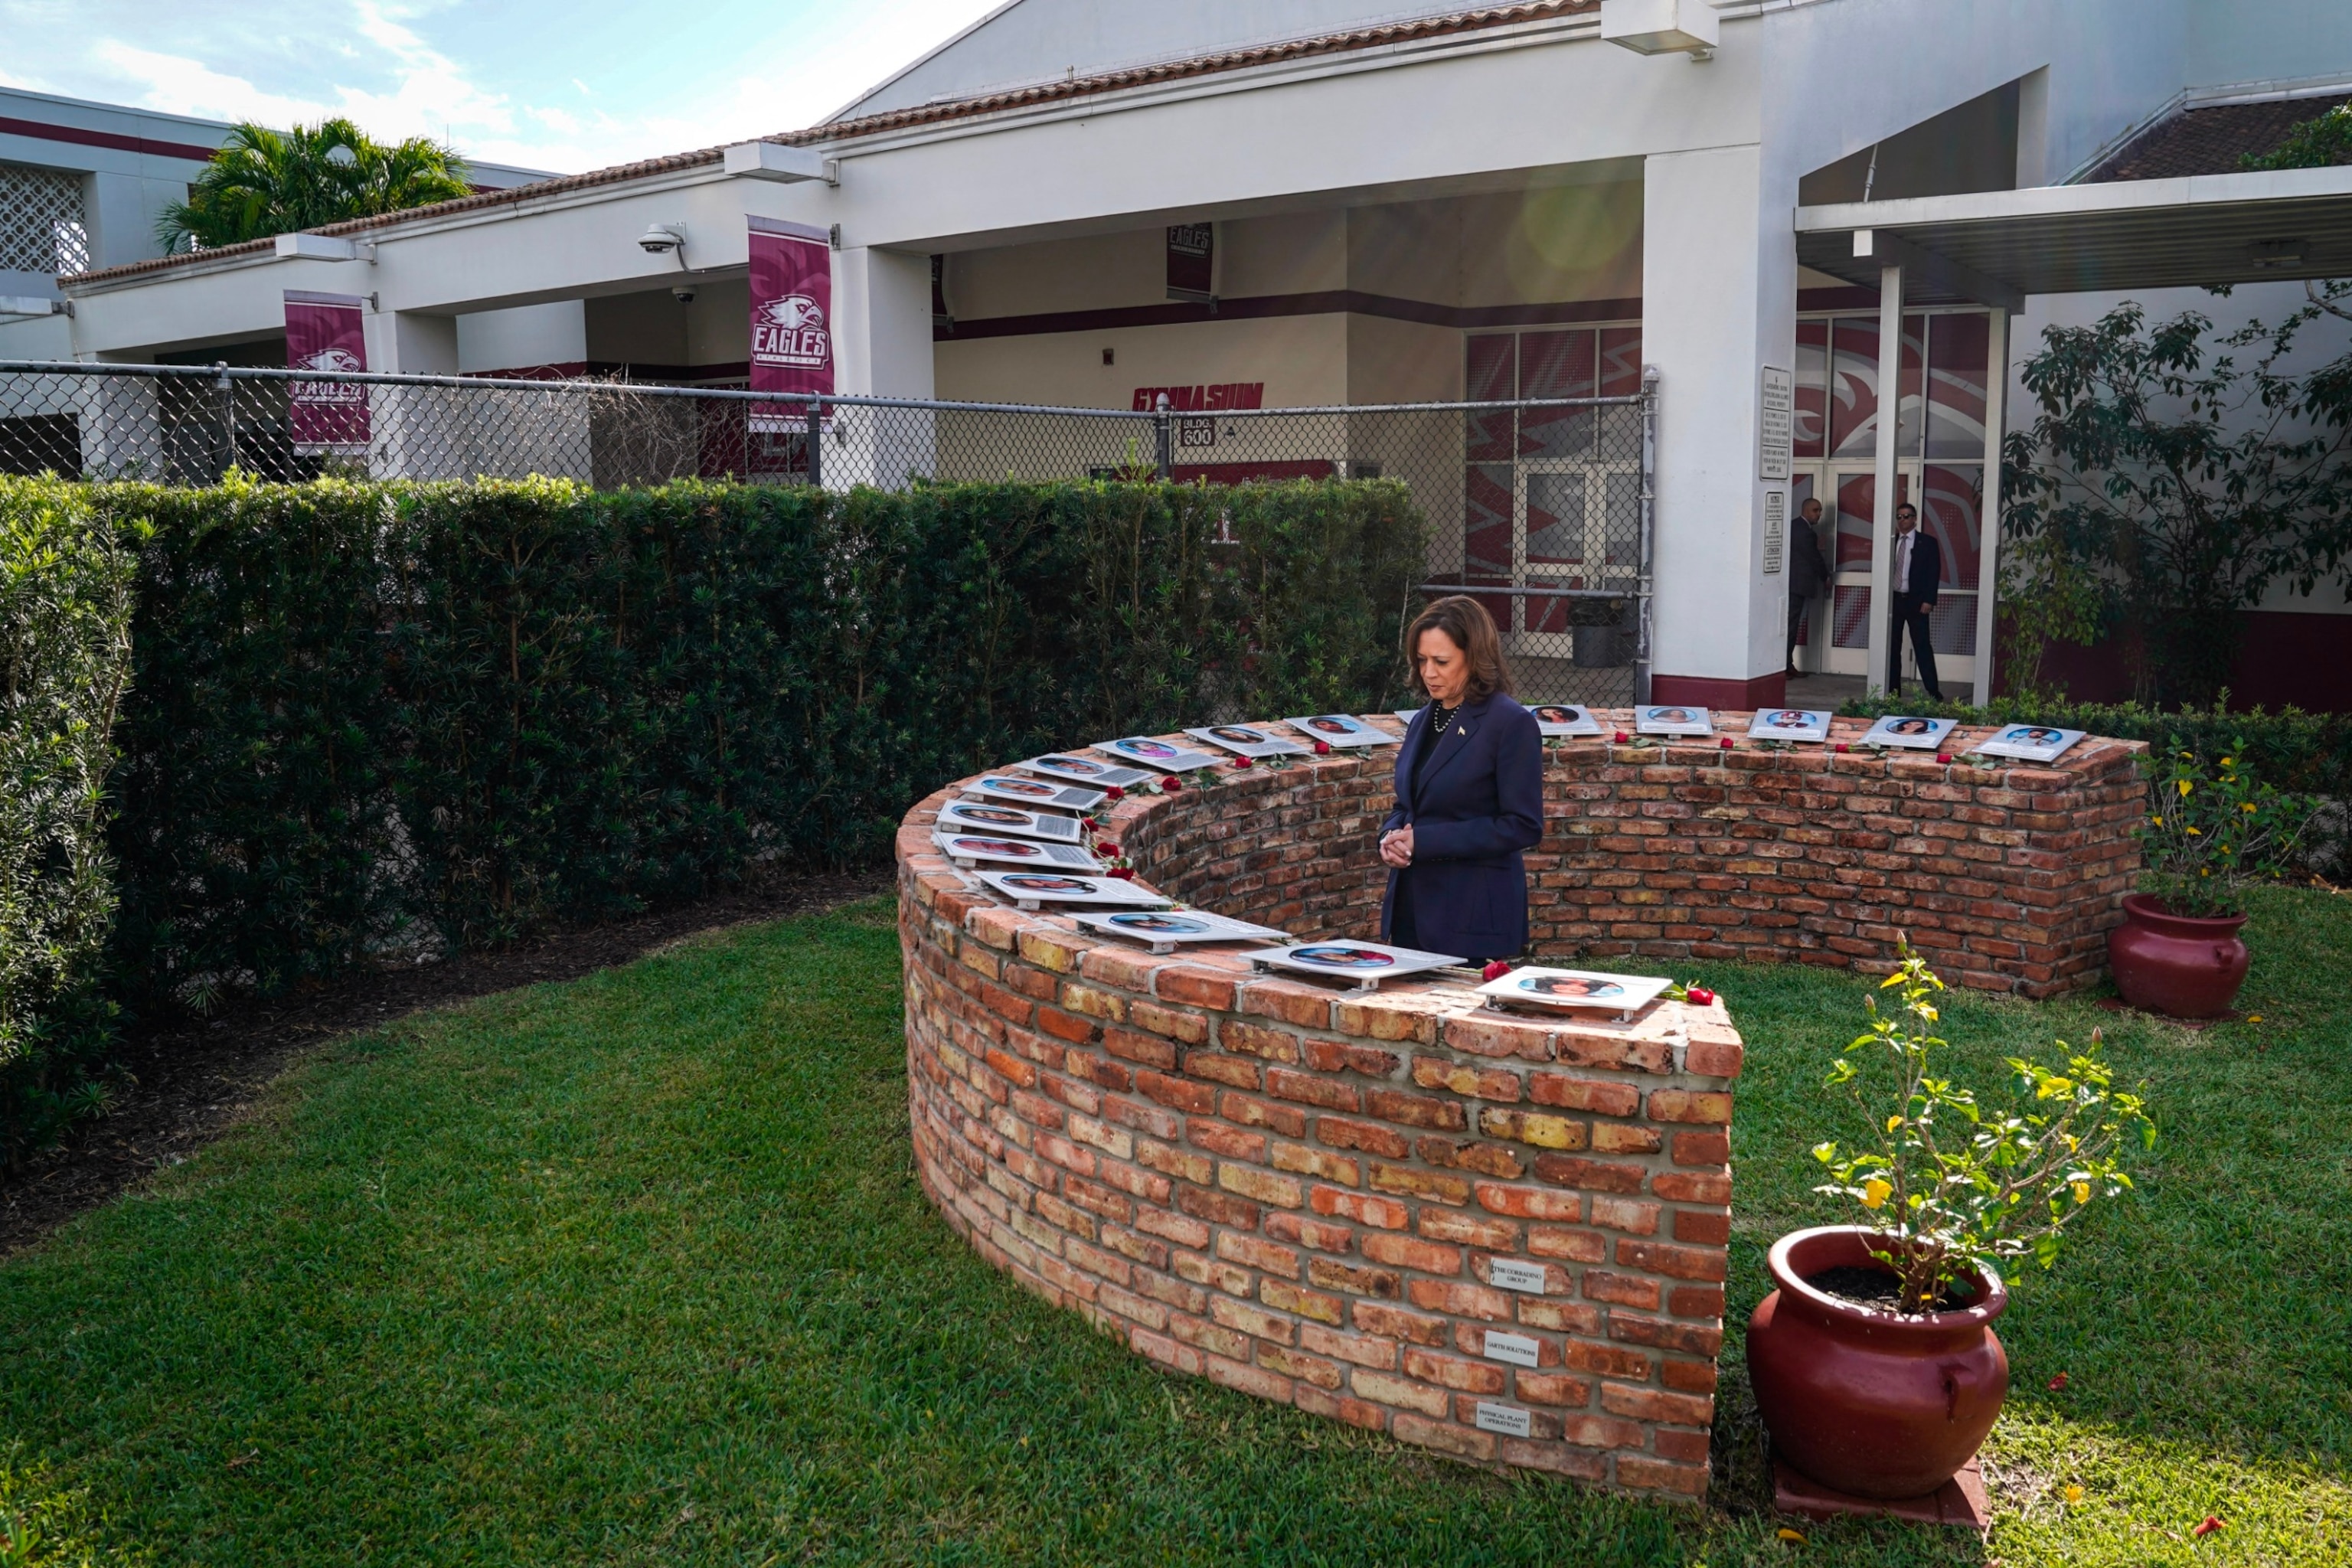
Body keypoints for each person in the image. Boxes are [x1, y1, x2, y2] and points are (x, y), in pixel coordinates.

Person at [1378, 596, 1544, 963]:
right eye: (1421, 660)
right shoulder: (1424, 719)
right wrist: (1390, 837)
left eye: (1442, 662)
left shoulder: (1510, 724)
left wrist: (1426, 840)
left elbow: (1523, 825)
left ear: (1475, 658)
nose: (1428, 672)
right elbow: (1407, 804)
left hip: (1472, 917)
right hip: (1412, 910)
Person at [1889, 501, 1945, 701]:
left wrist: (1929, 600)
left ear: (1915, 519)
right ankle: (1892, 692)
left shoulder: (1927, 542)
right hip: (1894, 601)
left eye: (1906, 516)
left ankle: (1933, 691)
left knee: (1922, 646)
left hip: (1916, 601)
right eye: (1899, 517)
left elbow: (1933, 572)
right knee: (1892, 647)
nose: (1902, 520)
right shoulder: (1890, 541)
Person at [1788, 496, 1831, 677]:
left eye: (1820, 511)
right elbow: (1813, 558)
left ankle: (1786, 665)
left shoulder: (1793, 526)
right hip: (1797, 586)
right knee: (1791, 625)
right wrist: (1825, 577)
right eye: (1816, 510)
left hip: (1791, 585)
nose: (1819, 514)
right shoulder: (1805, 532)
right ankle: (1786, 666)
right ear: (1805, 510)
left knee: (1790, 625)